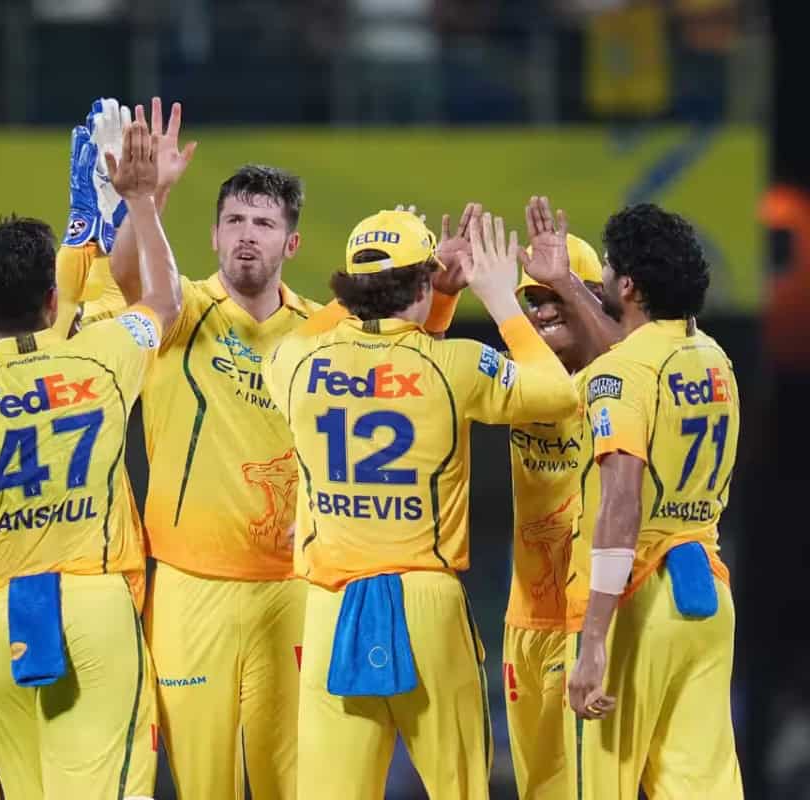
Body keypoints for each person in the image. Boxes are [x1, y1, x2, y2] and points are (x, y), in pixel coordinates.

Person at [0, 120, 178, 799]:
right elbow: (164, 301)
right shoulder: (103, 357)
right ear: (52, 300)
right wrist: (142, 201)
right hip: (92, 604)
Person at [264, 208, 579, 799]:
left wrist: (425, 289)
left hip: (332, 606)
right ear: (420, 286)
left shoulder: (294, 364)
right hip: (427, 605)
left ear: (348, 287)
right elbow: (557, 393)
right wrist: (496, 299)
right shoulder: (455, 365)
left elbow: (336, 334)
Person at [106, 96, 317, 800]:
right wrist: (146, 199)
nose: (247, 236)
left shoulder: (322, 331)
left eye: (264, 223)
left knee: (295, 784)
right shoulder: (182, 309)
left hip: (293, 587)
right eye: (234, 221)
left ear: (291, 244)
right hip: (189, 588)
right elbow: (128, 277)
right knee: (203, 786)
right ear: (214, 236)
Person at [565, 203, 744, 799]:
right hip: (708, 595)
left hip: (639, 602)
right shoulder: (716, 359)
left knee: (604, 785)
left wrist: (594, 638)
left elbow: (622, 502)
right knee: (703, 787)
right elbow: (634, 350)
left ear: (628, 285)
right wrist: (564, 281)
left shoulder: (620, 374)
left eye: (608, 267)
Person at [501, 197, 621, 799]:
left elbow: (621, 353)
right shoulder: (518, 376)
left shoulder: (622, 381)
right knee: (539, 789)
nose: (543, 308)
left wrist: (567, 283)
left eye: (557, 295)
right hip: (524, 618)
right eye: (534, 298)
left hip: (588, 621)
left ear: (594, 298)